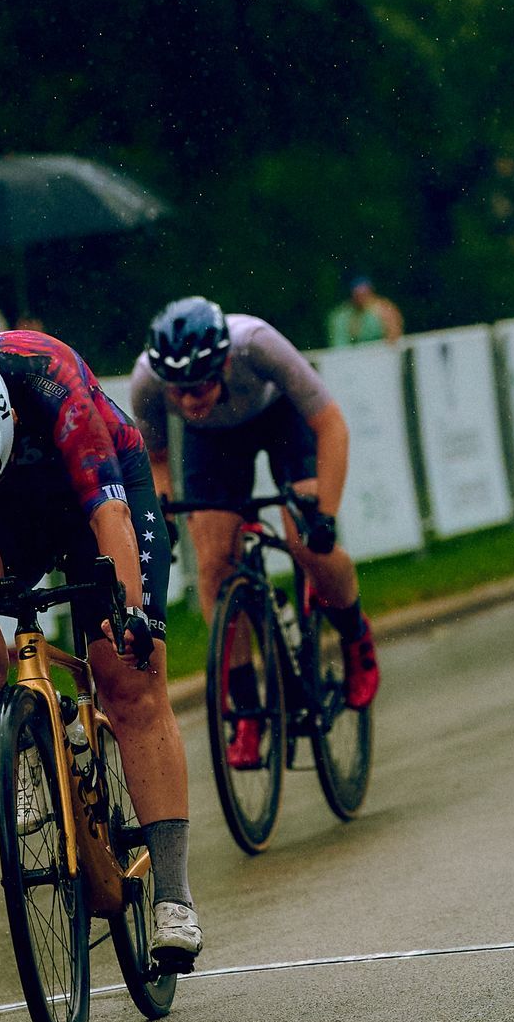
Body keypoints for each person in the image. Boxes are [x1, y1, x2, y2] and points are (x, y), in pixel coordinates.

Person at [0, 331, 203, 962]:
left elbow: (108, 515)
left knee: (129, 681)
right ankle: (31, 738)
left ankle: (174, 893)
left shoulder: (49, 376)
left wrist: (128, 614)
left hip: (102, 487)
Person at [131, 297, 380, 763]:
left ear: (224, 361)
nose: (188, 399)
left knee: (307, 544)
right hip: (211, 442)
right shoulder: (148, 378)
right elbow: (156, 457)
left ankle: (355, 638)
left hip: (280, 419)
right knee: (213, 566)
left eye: (200, 385)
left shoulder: (257, 345)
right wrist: (163, 511)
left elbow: (331, 426)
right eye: (178, 391)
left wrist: (324, 514)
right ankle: (246, 709)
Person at [325, 275, 404, 347]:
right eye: (358, 295)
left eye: (365, 293)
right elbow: (339, 346)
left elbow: (395, 335)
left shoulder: (384, 308)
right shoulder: (341, 316)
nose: (362, 298)